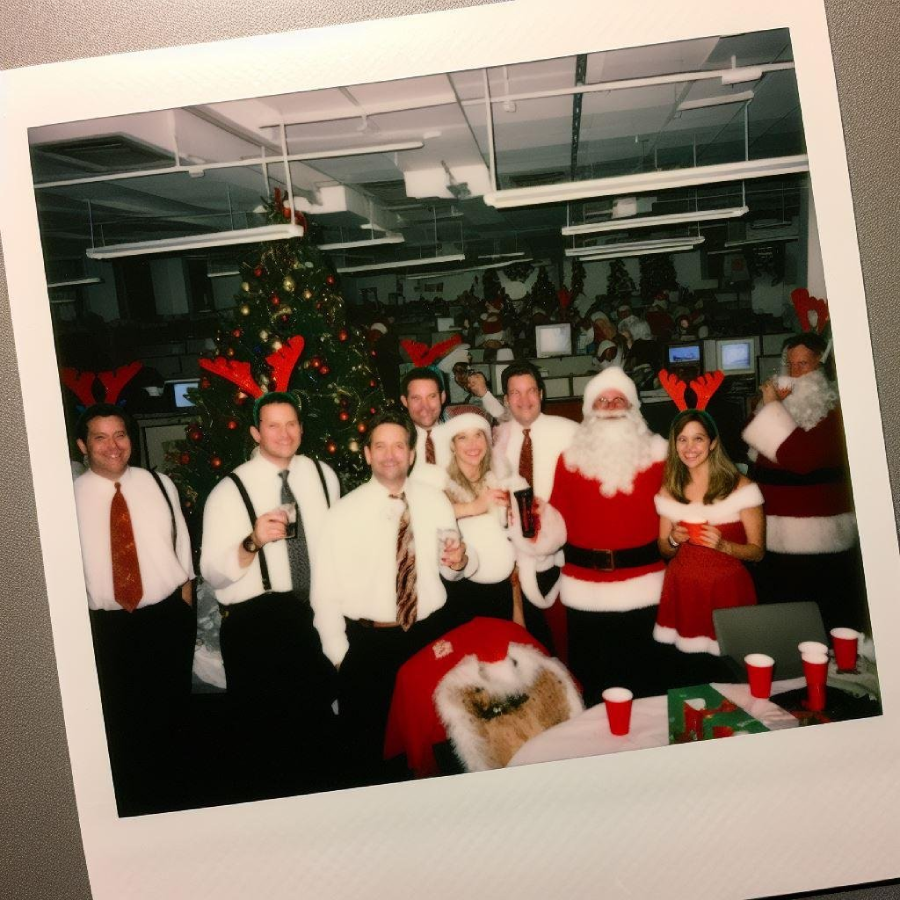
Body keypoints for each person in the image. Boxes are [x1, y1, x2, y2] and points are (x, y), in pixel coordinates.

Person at [314, 409, 477, 785]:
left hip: (429, 637)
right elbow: (324, 595)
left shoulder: (435, 500)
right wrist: (342, 657)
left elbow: (453, 567)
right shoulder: (342, 513)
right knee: (374, 758)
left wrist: (460, 560)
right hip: (370, 648)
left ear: (412, 454)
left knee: (437, 749)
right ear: (368, 455)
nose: (391, 454)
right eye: (381, 446)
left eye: (399, 446)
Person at [200, 391, 340, 797]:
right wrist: (251, 542)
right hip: (257, 628)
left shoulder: (323, 475)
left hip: (315, 614)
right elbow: (209, 572)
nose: (284, 433)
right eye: (273, 426)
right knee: (267, 748)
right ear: (255, 432)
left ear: (301, 427)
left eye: (291, 423)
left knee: (319, 732)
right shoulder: (229, 491)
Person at [73, 403, 195, 815]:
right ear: (82, 446)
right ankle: (133, 811)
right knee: (120, 726)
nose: (113, 445)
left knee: (172, 718)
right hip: (106, 630)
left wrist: (186, 605)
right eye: (100, 437)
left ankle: (178, 802)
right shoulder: (66, 498)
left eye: (120, 435)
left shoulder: (159, 484)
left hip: (165, 619)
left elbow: (181, 546)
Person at [523, 367, 669, 704]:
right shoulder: (570, 459)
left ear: (633, 407)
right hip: (585, 589)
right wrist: (538, 519)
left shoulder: (661, 454)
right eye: (602, 400)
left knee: (647, 685)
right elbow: (558, 520)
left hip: (645, 587)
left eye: (619, 399)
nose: (611, 406)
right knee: (594, 682)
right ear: (590, 410)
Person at [741, 333, 863, 631]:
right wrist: (767, 407)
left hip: (820, 541)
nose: (796, 373)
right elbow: (756, 452)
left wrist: (771, 409)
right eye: (791, 365)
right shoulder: (784, 406)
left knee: (825, 624)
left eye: (804, 364)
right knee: (783, 623)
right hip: (774, 537)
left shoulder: (835, 412)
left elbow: (801, 459)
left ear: (820, 367)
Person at [654, 410, 765, 684]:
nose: (689, 448)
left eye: (698, 439)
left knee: (730, 673)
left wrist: (725, 545)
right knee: (687, 675)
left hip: (727, 591)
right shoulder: (670, 488)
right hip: (683, 591)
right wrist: (673, 540)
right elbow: (664, 549)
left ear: (713, 443)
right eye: (682, 439)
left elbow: (758, 551)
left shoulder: (742, 487)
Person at [492, 361, 578, 652]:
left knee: (565, 639)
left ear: (541, 393)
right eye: (515, 393)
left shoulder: (571, 432)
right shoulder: (496, 440)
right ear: (505, 399)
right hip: (516, 556)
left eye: (530, 391)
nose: (524, 399)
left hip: (563, 554)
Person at [441, 412, 520, 623]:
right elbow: (431, 517)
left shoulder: (499, 479)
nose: (473, 444)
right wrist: (475, 506)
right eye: (462, 437)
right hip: (461, 594)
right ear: (452, 445)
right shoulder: (441, 483)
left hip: (502, 588)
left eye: (478, 435)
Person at [400, 366, 450, 486]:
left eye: (432, 396)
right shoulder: (398, 444)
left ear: (442, 397)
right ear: (405, 401)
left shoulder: (460, 437)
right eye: (416, 398)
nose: (425, 406)